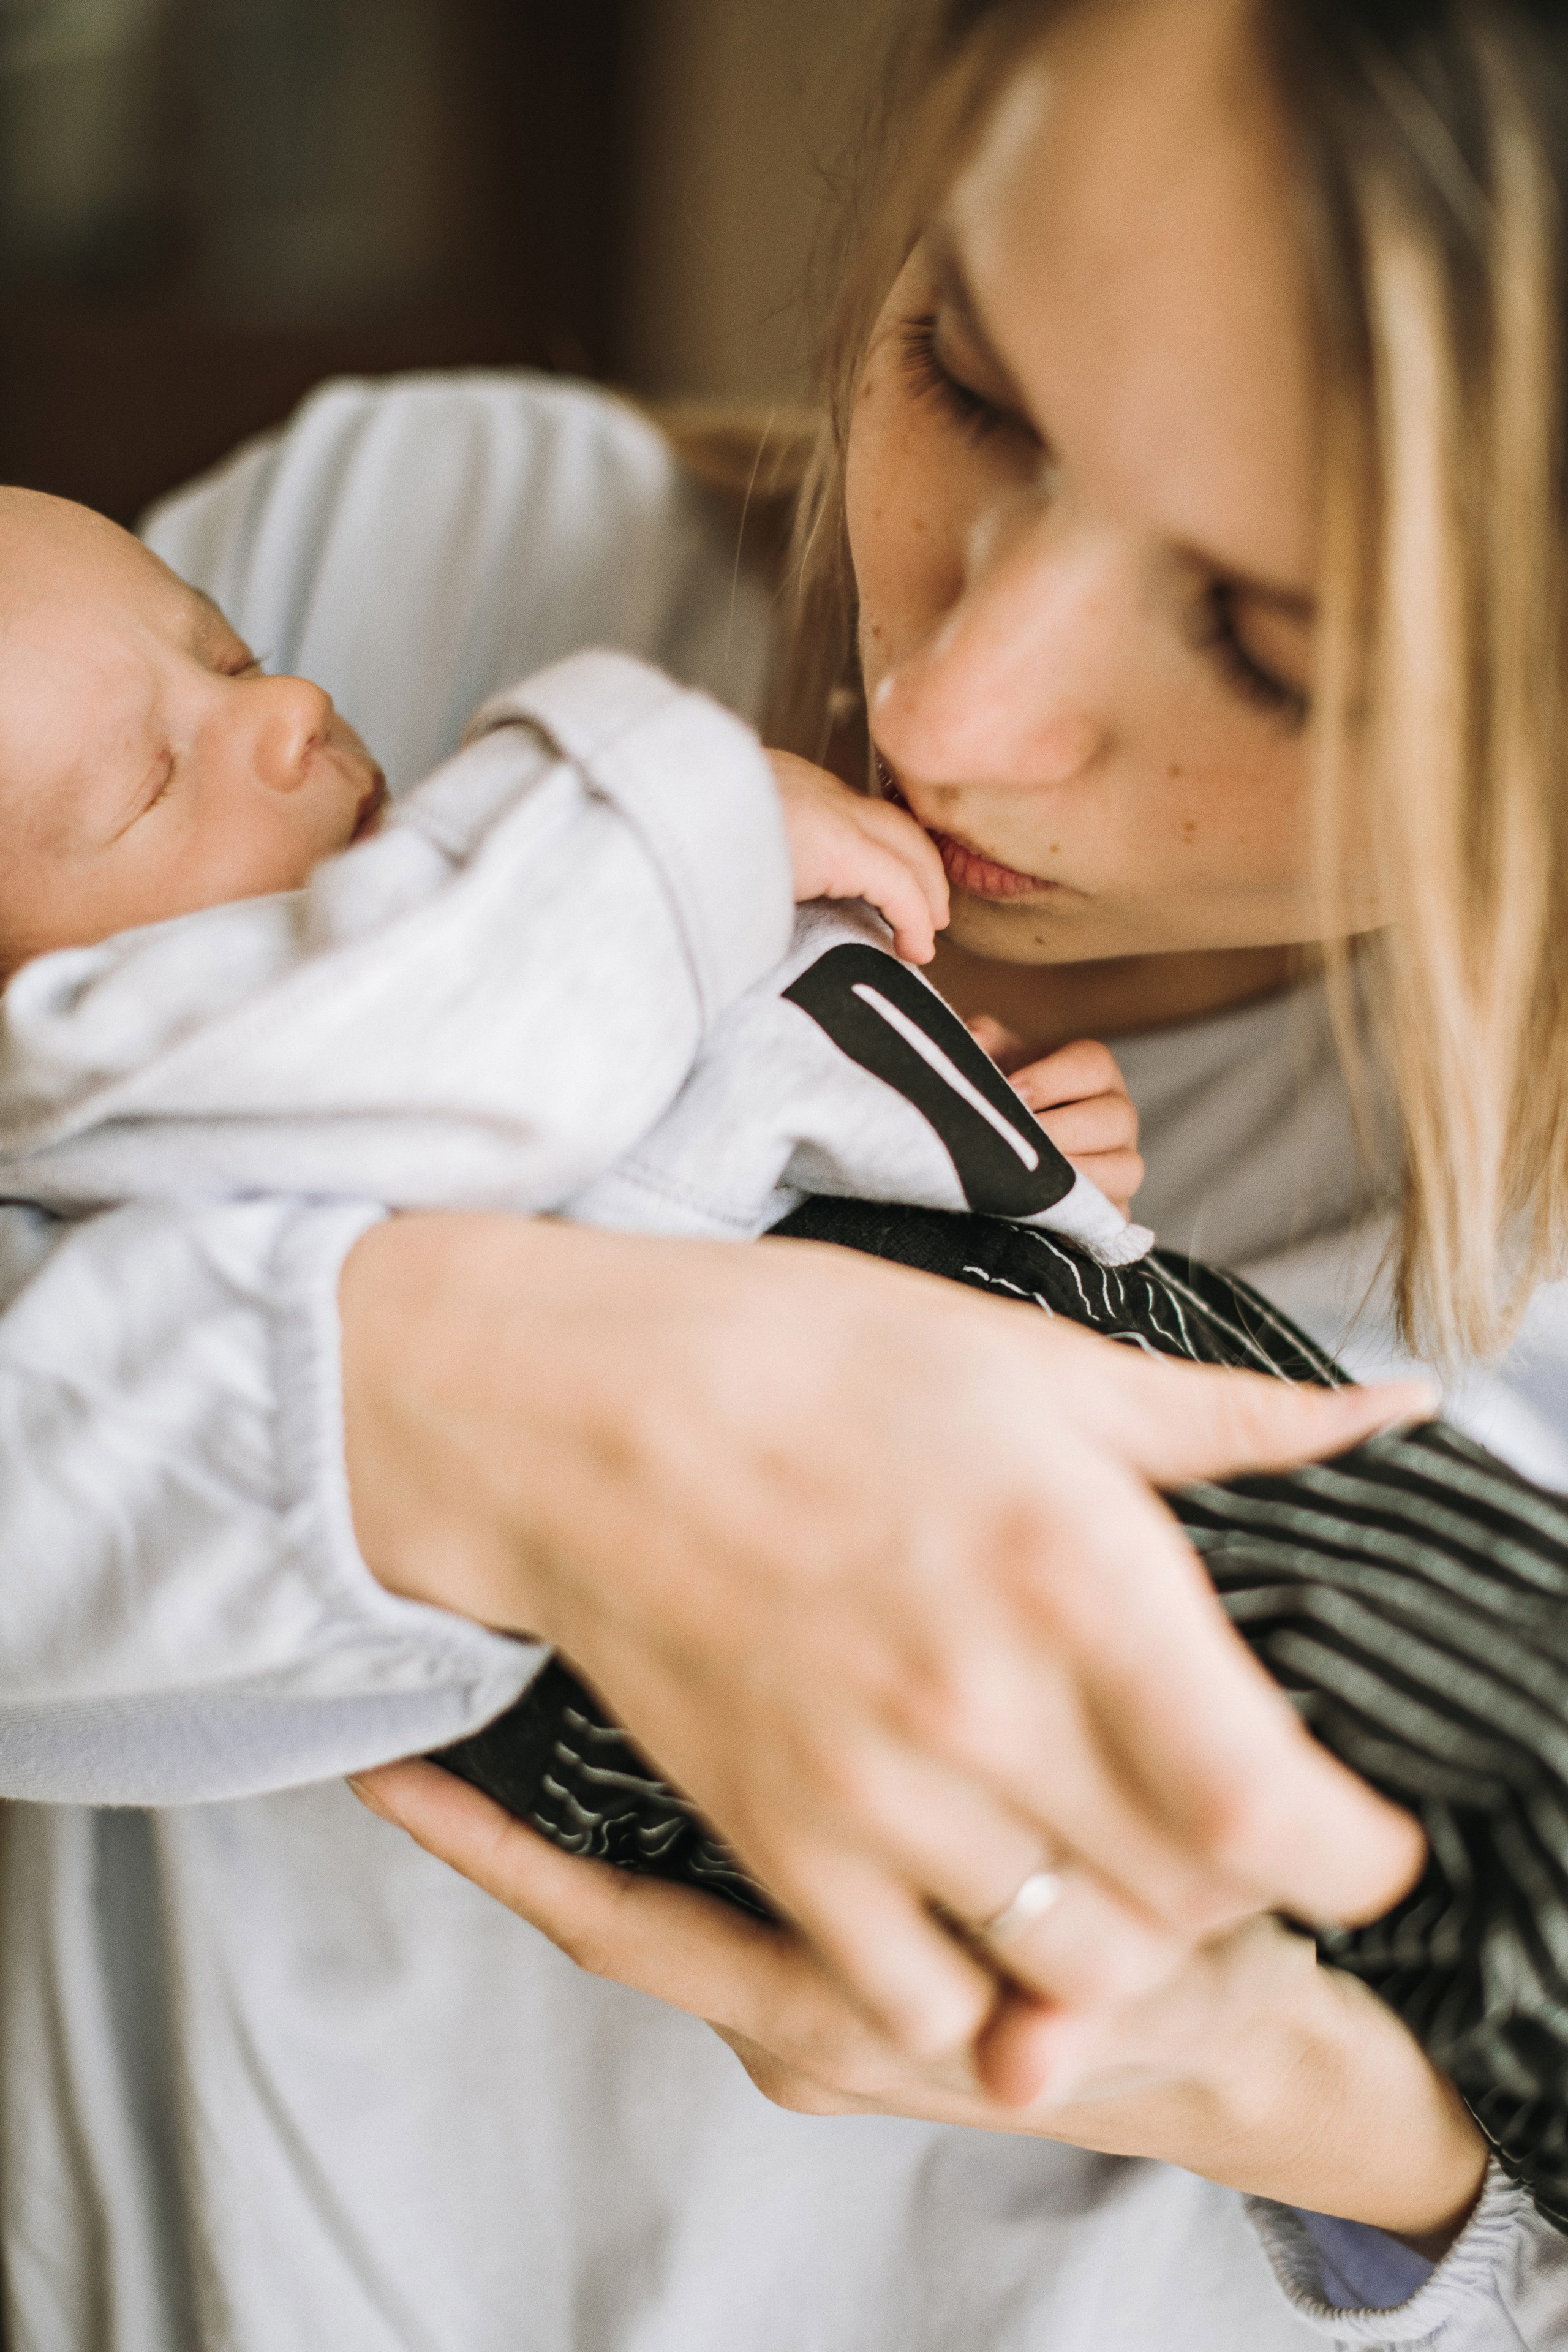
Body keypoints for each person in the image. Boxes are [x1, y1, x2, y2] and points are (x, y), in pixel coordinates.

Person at [4, 2, 1567, 2347]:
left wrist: (1335, 2133)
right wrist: (465, 1400)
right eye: (972, 382)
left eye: (1270, 642)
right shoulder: (387, 551)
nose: (943, 711)